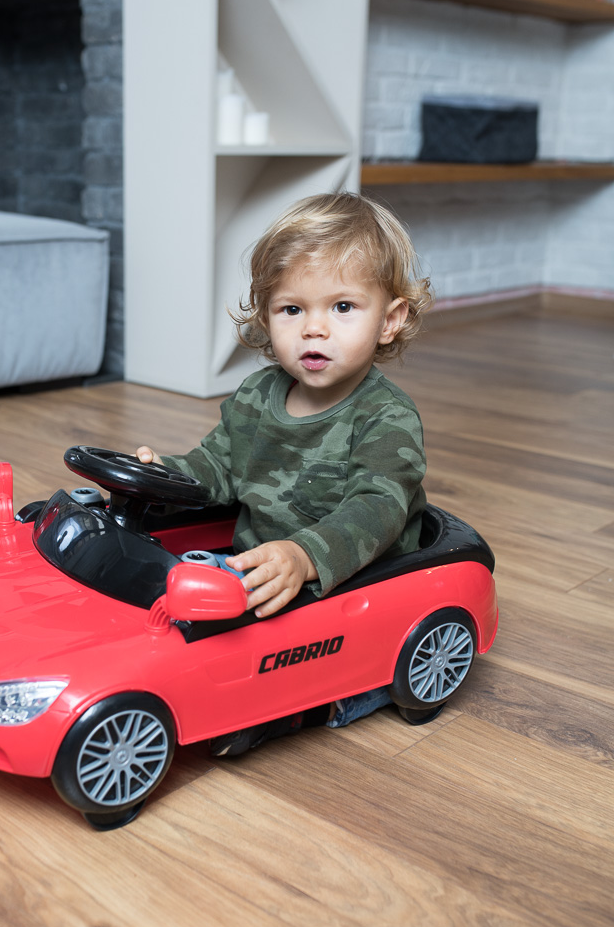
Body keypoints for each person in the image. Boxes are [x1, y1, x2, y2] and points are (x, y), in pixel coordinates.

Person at [137, 192, 434, 753]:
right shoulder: (256, 394)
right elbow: (217, 464)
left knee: (309, 660)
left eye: (342, 307)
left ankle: (308, 708)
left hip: (346, 585)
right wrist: (162, 477)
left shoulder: (387, 417)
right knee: (163, 599)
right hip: (259, 572)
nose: (313, 329)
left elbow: (378, 509)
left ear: (389, 320)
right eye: (292, 310)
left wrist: (303, 557)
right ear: (265, 316)